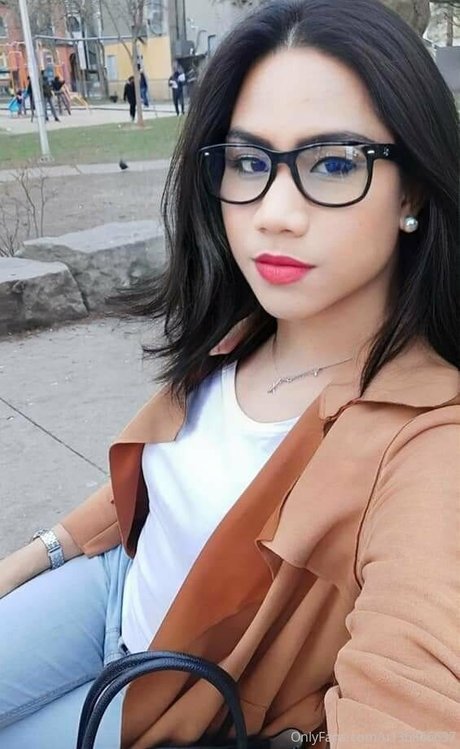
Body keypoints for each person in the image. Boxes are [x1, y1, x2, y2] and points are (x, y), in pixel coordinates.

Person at [0, 1, 459, 747]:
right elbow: (166, 486)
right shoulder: (241, 333)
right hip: (109, 584)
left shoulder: (429, 445)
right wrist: (39, 553)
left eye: (333, 164)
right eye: (249, 162)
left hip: (177, 688)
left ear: (411, 189)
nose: (274, 213)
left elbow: (415, 693)